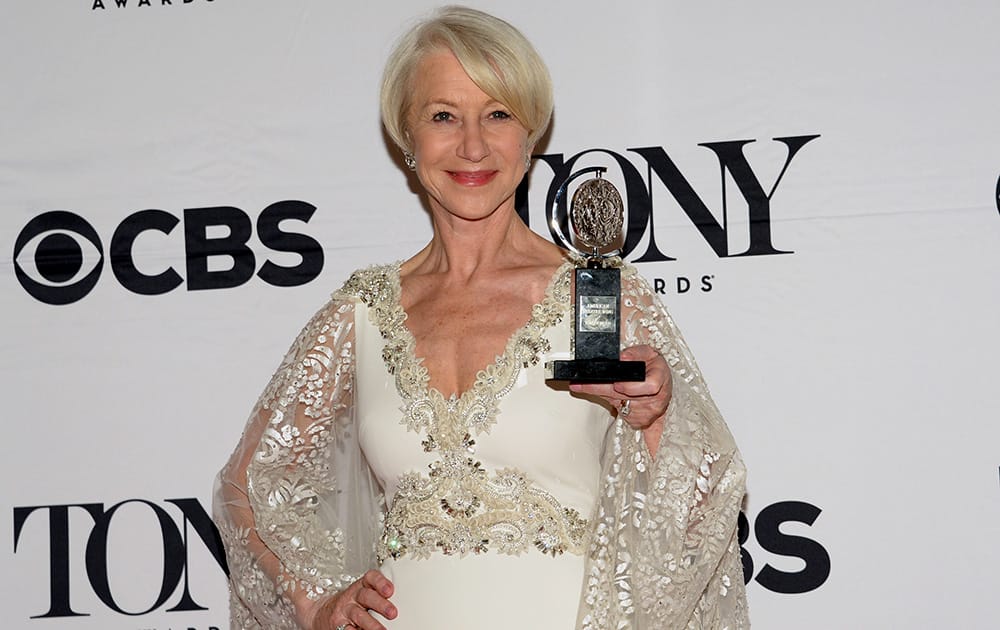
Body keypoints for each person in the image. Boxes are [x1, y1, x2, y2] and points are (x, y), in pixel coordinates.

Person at [214, 6, 748, 629]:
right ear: (406, 140)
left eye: (498, 114)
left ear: (531, 138)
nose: (473, 144)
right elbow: (245, 489)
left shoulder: (596, 294)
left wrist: (655, 420)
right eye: (444, 116)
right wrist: (314, 599)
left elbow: (707, 494)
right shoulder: (359, 312)